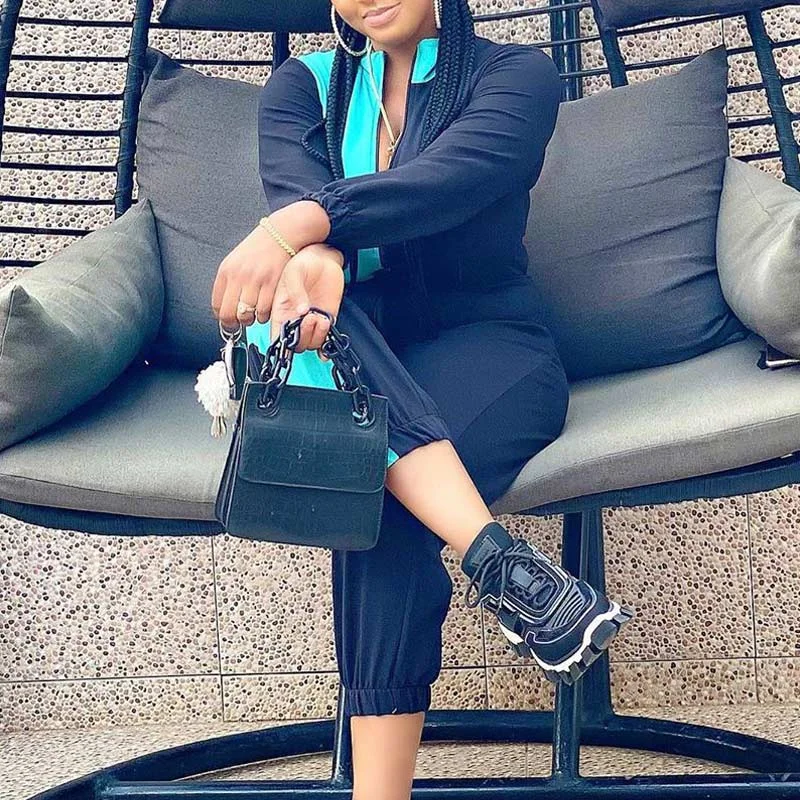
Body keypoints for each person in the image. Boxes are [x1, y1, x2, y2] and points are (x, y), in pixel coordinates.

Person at [211, 0, 632, 796]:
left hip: (490, 347)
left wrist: (302, 233)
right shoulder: (302, 87)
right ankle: (505, 566)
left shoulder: (515, 76)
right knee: (323, 332)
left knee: (371, 487)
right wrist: (317, 256)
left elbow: (448, 184)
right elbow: (300, 219)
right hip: (345, 348)